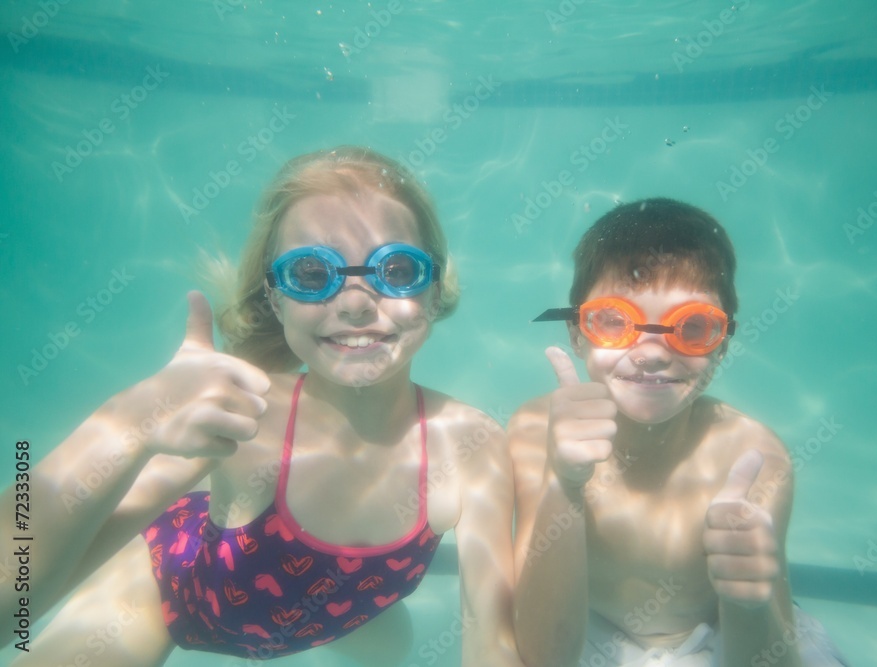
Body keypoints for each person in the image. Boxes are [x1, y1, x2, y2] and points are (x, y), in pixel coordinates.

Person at [12, 147, 522, 666]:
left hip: (355, 611)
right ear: (275, 299)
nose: (355, 302)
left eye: (395, 268)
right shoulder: (242, 414)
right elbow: (12, 598)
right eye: (309, 273)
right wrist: (134, 425)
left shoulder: (469, 445)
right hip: (172, 589)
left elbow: (492, 646)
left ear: (434, 292)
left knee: (392, 651)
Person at [509, 199, 848, 667]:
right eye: (614, 322)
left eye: (692, 327)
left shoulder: (752, 456)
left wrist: (747, 598)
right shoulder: (534, 431)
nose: (651, 353)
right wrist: (564, 484)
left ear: (723, 344)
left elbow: (768, 657)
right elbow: (543, 656)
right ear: (576, 332)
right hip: (586, 634)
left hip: (724, 638)